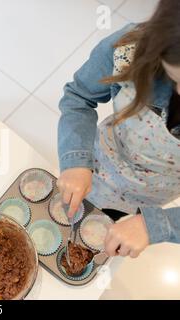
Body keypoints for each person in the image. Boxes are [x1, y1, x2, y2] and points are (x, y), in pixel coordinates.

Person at [57, 0, 180, 259]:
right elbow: (79, 98)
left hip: (154, 192)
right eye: (175, 79)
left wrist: (156, 224)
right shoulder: (129, 48)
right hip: (102, 163)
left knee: (119, 222)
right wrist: (76, 160)